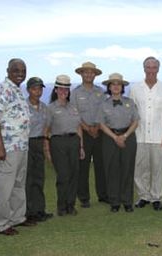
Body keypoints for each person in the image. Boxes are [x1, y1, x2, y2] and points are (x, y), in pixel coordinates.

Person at [0, 58, 36, 236]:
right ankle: (2, 224)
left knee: (17, 185)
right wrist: (0, 147)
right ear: (8, 70)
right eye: (16, 70)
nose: (20, 73)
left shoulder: (17, 90)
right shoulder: (2, 90)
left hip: (21, 146)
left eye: (23, 70)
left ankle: (17, 218)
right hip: (7, 148)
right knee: (5, 187)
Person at [129, 56, 162, 211]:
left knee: (157, 169)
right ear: (144, 69)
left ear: (158, 69)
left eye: (154, 67)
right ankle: (143, 196)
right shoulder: (135, 89)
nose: (151, 70)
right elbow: (131, 112)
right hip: (139, 135)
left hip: (159, 136)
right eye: (148, 67)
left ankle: (156, 197)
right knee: (140, 168)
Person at [44, 75, 85, 216]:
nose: (63, 92)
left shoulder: (73, 108)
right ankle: (61, 207)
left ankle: (70, 205)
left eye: (66, 90)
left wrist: (81, 147)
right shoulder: (50, 108)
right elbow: (46, 130)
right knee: (63, 176)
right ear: (55, 90)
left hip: (74, 142)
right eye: (60, 89)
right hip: (58, 143)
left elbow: (79, 127)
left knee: (74, 175)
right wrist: (47, 149)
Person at [98, 73, 139, 213]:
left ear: (122, 87)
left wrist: (125, 136)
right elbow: (101, 124)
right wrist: (115, 138)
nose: (116, 86)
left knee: (127, 169)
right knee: (112, 170)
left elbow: (135, 121)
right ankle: (114, 201)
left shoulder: (130, 102)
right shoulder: (103, 104)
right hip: (110, 138)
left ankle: (127, 201)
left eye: (118, 84)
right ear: (109, 87)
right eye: (113, 84)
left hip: (128, 137)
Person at [70, 61, 108, 208]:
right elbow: (75, 114)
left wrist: (97, 127)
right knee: (83, 166)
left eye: (91, 72)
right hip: (83, 133)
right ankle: (84, 198)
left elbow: (104, 112)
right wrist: (87, 128)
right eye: (85, 72)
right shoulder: (75, 93)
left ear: (95, 74)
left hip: (99, 132)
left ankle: (103, 195)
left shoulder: (101, 92)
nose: (88, 74)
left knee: (101, 165)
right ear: (81, 74)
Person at [25, 77, 53, 221]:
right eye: (35, 88)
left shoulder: (44, 108)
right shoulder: (23, 107)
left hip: (39, 143)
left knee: (39, 178)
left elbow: (46, 128)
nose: (38, 91)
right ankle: (29, 213)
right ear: (29, 90)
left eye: (40, 88)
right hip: (27, 143)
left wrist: (46, 147)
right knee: (28, 179)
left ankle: (39, 210)